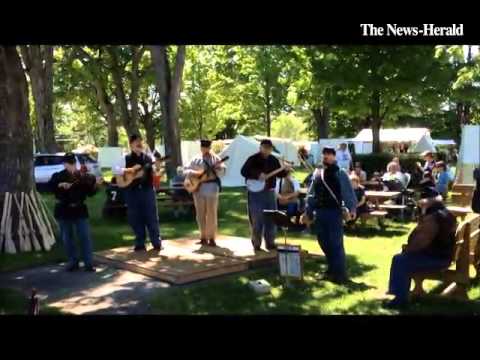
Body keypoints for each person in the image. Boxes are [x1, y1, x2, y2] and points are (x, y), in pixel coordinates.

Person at [385, 187, 456, 309]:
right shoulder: (446, 213)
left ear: (427, 202)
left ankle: (400, 299)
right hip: (444, 255)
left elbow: (420, 242)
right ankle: (400, 293)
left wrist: (407, 249)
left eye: (420, 201)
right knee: (403, 258)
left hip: (437, 259)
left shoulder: (432, 218)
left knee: (400, 260)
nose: (418, 203)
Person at [302, 146, 357, 284]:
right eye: (324, 154)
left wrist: (352, 209)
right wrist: (308, 211)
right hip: (320, 213)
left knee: (335, 244)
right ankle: (331, 269)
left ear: (334, 156)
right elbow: (311, 194)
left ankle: (340, 275)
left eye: (329, 154)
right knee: (323, 242)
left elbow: (348, 193)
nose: (326, 156)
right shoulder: (317, 174)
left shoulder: (340, 173)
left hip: (334, 213)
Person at [48, 152, 102, 272]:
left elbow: (90, 193)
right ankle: (73, 261)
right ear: (64, 164)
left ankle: (88, 263)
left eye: (73, 163)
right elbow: (50, 188)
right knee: (67, 238)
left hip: (79, 209)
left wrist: (97, 186)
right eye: (69, 163)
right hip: (64, 209)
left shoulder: (82, 176)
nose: (72, 166)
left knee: (85, 236)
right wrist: (60, 185)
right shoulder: (57, 176)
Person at [241, 139, 290, 251]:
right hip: (256, 193)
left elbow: (280, 174)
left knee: (272, 217)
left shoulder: (273, 160)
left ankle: (270, 242)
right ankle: (256, 243)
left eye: (269, 148)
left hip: (270, 192)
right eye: (265, 147)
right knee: (257, 218)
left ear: (271, 149)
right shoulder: (253, 159)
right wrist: (257, 174)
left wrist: (286, 170)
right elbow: (243, 171)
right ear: (260, 147)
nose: (267, 149)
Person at [123, 134, 162, 252]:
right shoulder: (127, 159)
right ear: (131, 145)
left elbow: (154, 173)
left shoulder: (148, 158)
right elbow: (121, 176)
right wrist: (135, 175)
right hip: (133, 192)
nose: (139, 144)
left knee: (151, 216)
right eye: (136, 142)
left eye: (140, 141)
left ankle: (156, 241)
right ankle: (140, 242)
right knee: (136, 217)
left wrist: (158, 168)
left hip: (147, 190)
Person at [184, 140, 226, 246]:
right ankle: (203, 236)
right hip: (198, 188)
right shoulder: (195, 159)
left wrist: (218, 169)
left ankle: (211, 237)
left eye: (207, 147)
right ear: (201, 148)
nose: (205, 149)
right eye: (203, 147)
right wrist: (196, 173)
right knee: (200, 214)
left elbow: (223, 171)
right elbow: (185, 170)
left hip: (211, 187)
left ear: (210, 147)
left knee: (211, 213)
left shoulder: (216, 158)